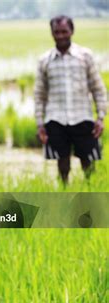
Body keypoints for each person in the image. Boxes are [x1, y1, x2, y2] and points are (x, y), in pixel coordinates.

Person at [34, 15, 107, 183]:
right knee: (62, 161)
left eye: (64, 31)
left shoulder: (85, 56)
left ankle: (90, 193)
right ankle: (64, 192)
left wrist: (101, 117)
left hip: (83, 116)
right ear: (52, 33)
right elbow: (39, 94)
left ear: (72, 31)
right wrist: (40, 123)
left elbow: (98, 88)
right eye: (56, 32)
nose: (60, 36)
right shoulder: (45, 61)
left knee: (88, 161)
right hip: (56, 118)